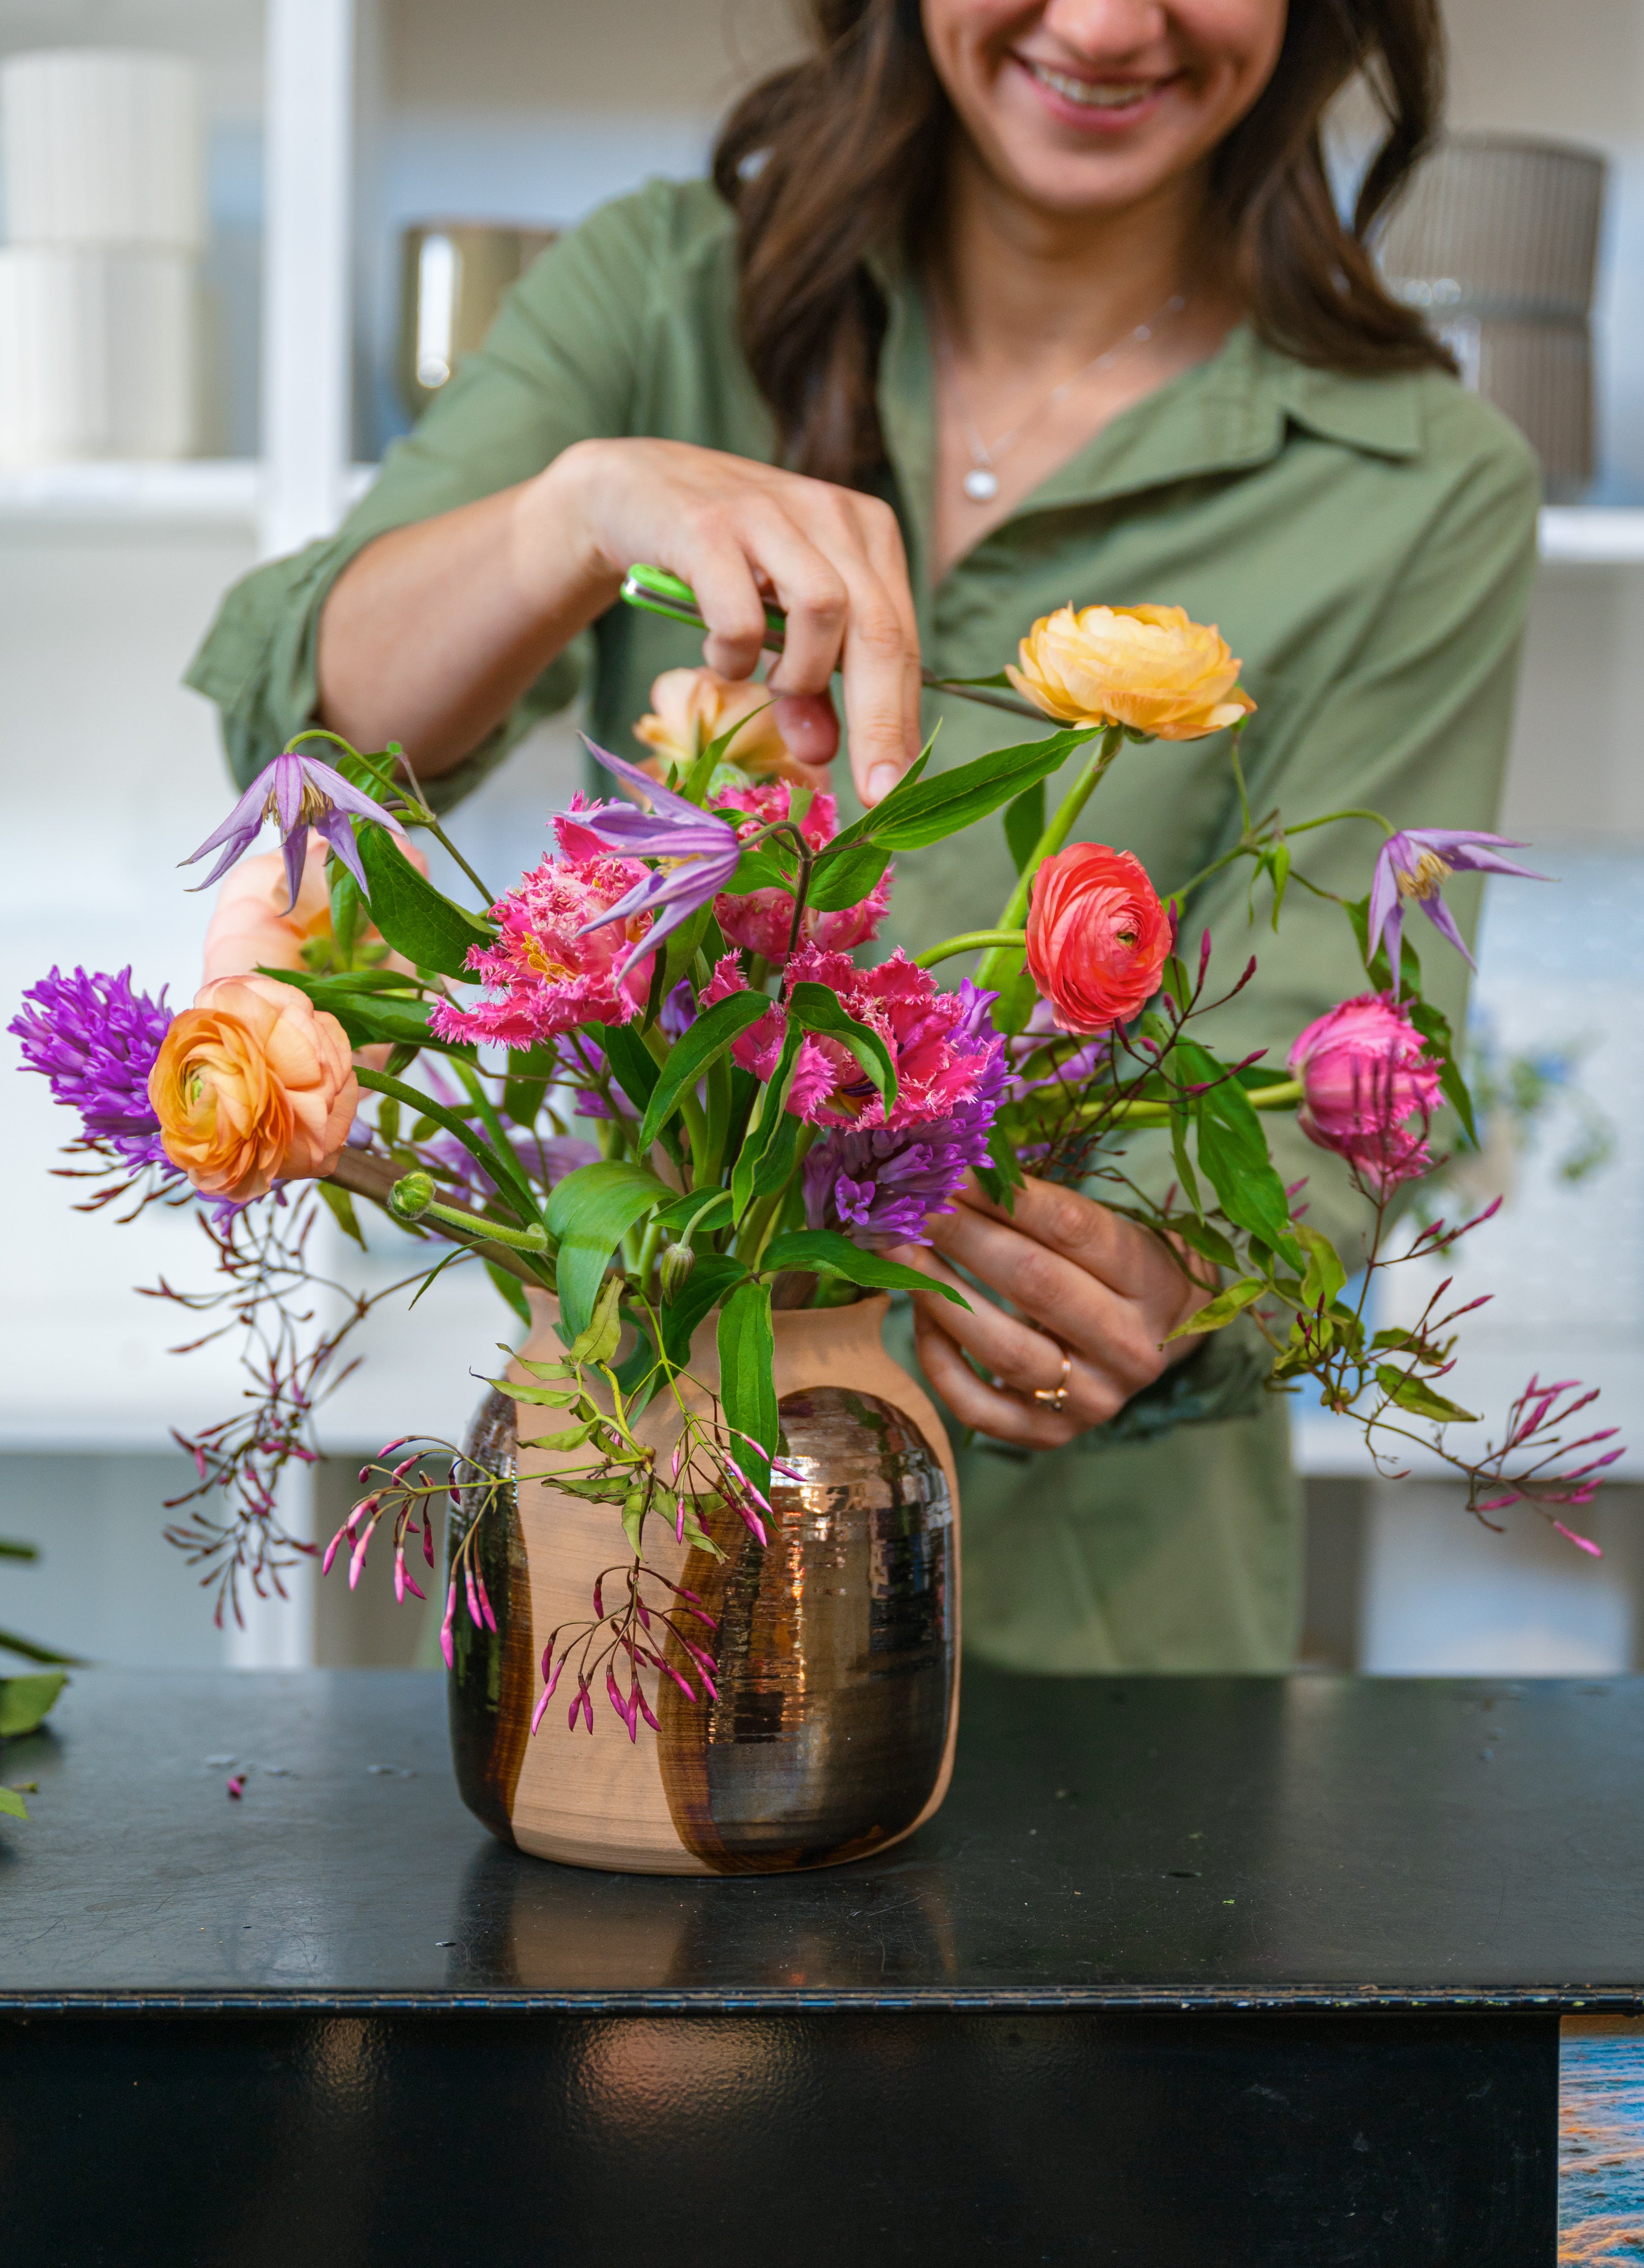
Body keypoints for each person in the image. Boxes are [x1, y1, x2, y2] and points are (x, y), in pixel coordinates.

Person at [188, 0, 1540, 1674]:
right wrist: (577, 514)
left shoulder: (1417, 478)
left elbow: (1349, 1070)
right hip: (638, 1544)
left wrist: (1160, 1282)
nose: (1111, 22)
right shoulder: (666, 290)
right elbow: (306, 728)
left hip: (1091, 1628)